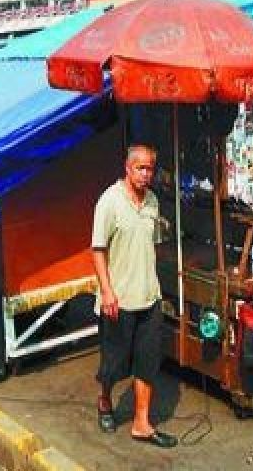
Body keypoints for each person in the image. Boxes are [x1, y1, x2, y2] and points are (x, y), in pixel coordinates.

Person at [91, 144, 176, 449]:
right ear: (127, 168)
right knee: (113, 363)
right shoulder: (109, 202)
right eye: (140, 168)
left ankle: (142, 423)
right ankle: (104, 400)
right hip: (118, 300)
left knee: (148, 361)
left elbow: (151, 245)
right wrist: (107, 291)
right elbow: (98, 250)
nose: (145, 174)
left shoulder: (152, 202)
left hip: (148, 297)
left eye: (150, 168)